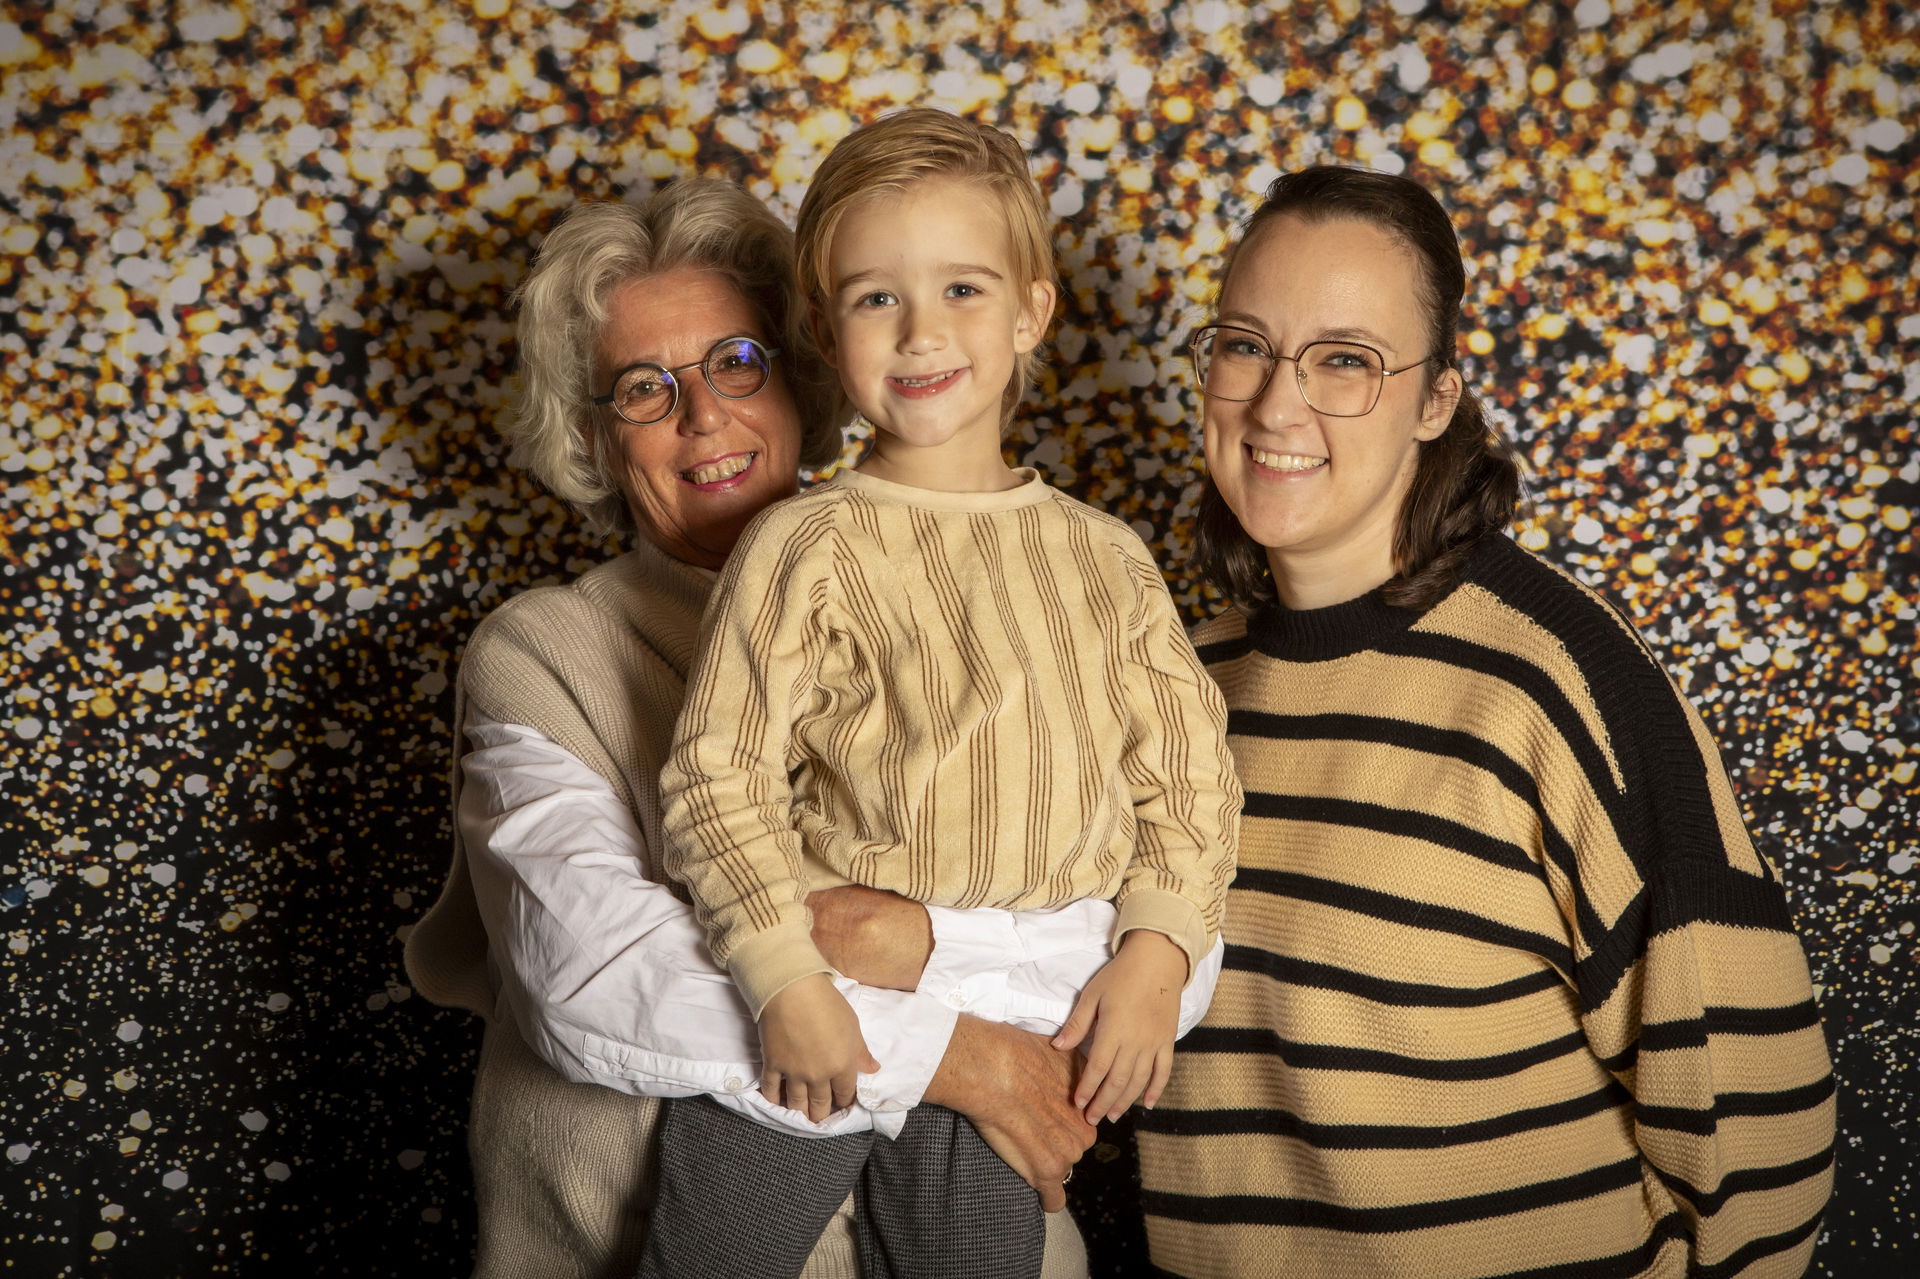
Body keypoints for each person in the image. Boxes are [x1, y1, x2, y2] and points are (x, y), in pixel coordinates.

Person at [404, 178, 1114, 1279]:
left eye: (737, 361)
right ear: (594, 435)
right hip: (632, 1236)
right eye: (645, 388)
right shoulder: (543, 650)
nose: (703, 417)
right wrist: (956, 1051)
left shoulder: (985, 582)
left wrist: (913, 940)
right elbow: (595, 970)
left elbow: (1112, 898)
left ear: (805, 369)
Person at [1134, 165, 1836, 1278]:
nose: (1277, 405)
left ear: (1435, 400)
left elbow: (1760, 1125)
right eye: (1245, 346)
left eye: (1346, 362)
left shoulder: (1554, 678)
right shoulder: (1171, 681)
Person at [643, 109, 1241, 1279]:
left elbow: (1189, 778)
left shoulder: (1107, 559)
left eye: (963, 289)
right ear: (824, 329)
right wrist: (782, 977)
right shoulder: (804, 543)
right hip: (830, 1005)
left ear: (1032, 310)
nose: (921, 333)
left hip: (1015, 1031)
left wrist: (1159, 949)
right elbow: (716, 775)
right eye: (876, 298)